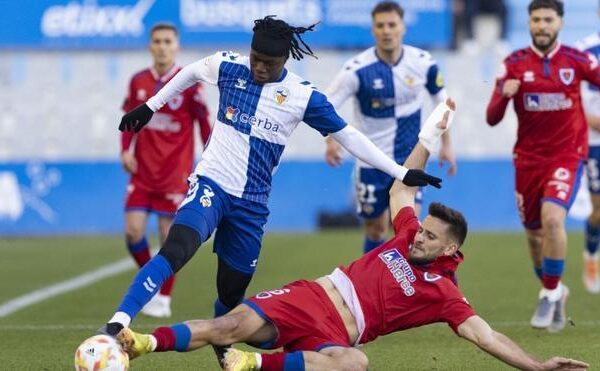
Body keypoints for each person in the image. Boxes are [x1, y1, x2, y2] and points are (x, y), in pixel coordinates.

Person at [116, 100, 588, 371]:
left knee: (355, 365)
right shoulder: (405, 234)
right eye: (421, 229)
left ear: (451, 250)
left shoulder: (445, 295)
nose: (418, 237)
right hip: (310, 297)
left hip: (336, 334)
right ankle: (139, 343)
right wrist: (429, 133)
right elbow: (402, 188)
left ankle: (252, 366)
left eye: (429, 237)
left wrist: (537, 366)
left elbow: (486, 337)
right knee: (226, 327)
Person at [102, 15, 443, 363]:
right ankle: (117, 324)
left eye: (269, 63)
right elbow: (189, 72)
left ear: (284, 60)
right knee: (177, 248)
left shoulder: (301, 96)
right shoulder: (228, 66)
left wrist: (401, 171)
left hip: (251, 205)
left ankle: (222, 339)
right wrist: (150, 106)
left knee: (231, 290)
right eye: (255, 59)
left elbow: (348, 135)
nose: (260, 68)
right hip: (212, 184)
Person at [486, 0, 600, 331]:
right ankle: (555, 287)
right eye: (535, 19)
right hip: (528, 161)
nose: (541, 25)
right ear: (529, 23)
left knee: (553, 220)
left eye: (548, 19)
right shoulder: (513, 63)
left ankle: (549, 294)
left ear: (560, 23)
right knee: (535, 237)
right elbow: (492, 118)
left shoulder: (578, 60)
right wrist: (504, 95)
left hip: (568, 155)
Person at [324, 1, 457, 255]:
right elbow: (325, 106)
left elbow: (443, 104)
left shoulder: (423, 63)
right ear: (373, 30)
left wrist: (447, 145)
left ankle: (409, 292)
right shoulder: (357, 70)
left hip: (411, 161)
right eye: (380, 25)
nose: (386, 31)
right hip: (371, 163)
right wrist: (330, 141)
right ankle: (369, 285)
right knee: (376, 230)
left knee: (409, 229)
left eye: (392, 25)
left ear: (403, 27)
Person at [120, 22, 211, 317]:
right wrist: (125, 150)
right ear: (150, 45)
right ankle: (152, 282)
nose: (162, 46)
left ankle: (163, 299)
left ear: (177, 46)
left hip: (175, 173)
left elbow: (203, 122)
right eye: (157, 41)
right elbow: (130, 118)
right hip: (143, 172)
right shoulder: (138, 81)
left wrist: (209, 156)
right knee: (133, 232)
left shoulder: (189, 83)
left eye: (167, 41)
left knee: (168, 238)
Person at [576, 8, 600, 294]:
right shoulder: (585, 52)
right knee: (598, 210)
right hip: (595, 143)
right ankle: (591, 255)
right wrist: (590, 120)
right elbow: (573, 98)